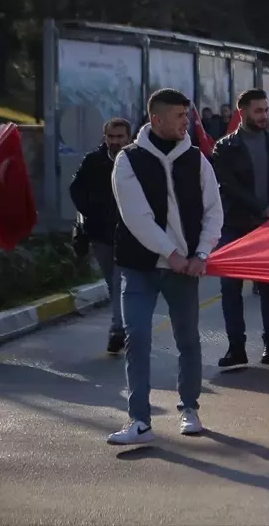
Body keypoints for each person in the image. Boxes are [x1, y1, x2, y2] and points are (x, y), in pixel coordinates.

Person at [107, 88, 223, 445]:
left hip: (184, 269)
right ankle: (139, 420)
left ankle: (189, 408)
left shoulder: (197, 159)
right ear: (155, 119)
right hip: (139, 266)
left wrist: (201, 254)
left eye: (185, 115)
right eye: (177, 115)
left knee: (187, 339)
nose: (184, 121)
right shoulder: (129, 160)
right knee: (137, 338)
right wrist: (170, 252)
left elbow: (213, 212)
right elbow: (136, 216)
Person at [211, 89, 269, 368]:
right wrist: (263, 209)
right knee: (230, 289)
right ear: (243, 112)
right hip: (236, 226)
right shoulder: (225, 148)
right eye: (258, 111)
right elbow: (230, 187)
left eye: (266, 110)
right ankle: (236, 348)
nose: (264, 116)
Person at [69, 117, 132, 354]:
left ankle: (117, 330)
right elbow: (76, 189)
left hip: (129, 234)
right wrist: (92, 211)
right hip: (100, 233)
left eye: (120, 137)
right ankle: (123, 325)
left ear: (128, 136)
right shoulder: (93, 161)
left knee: (119, 280)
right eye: (111, 137)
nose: (115, 142)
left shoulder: (137, 160)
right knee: (112, 282)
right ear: (104, 137)